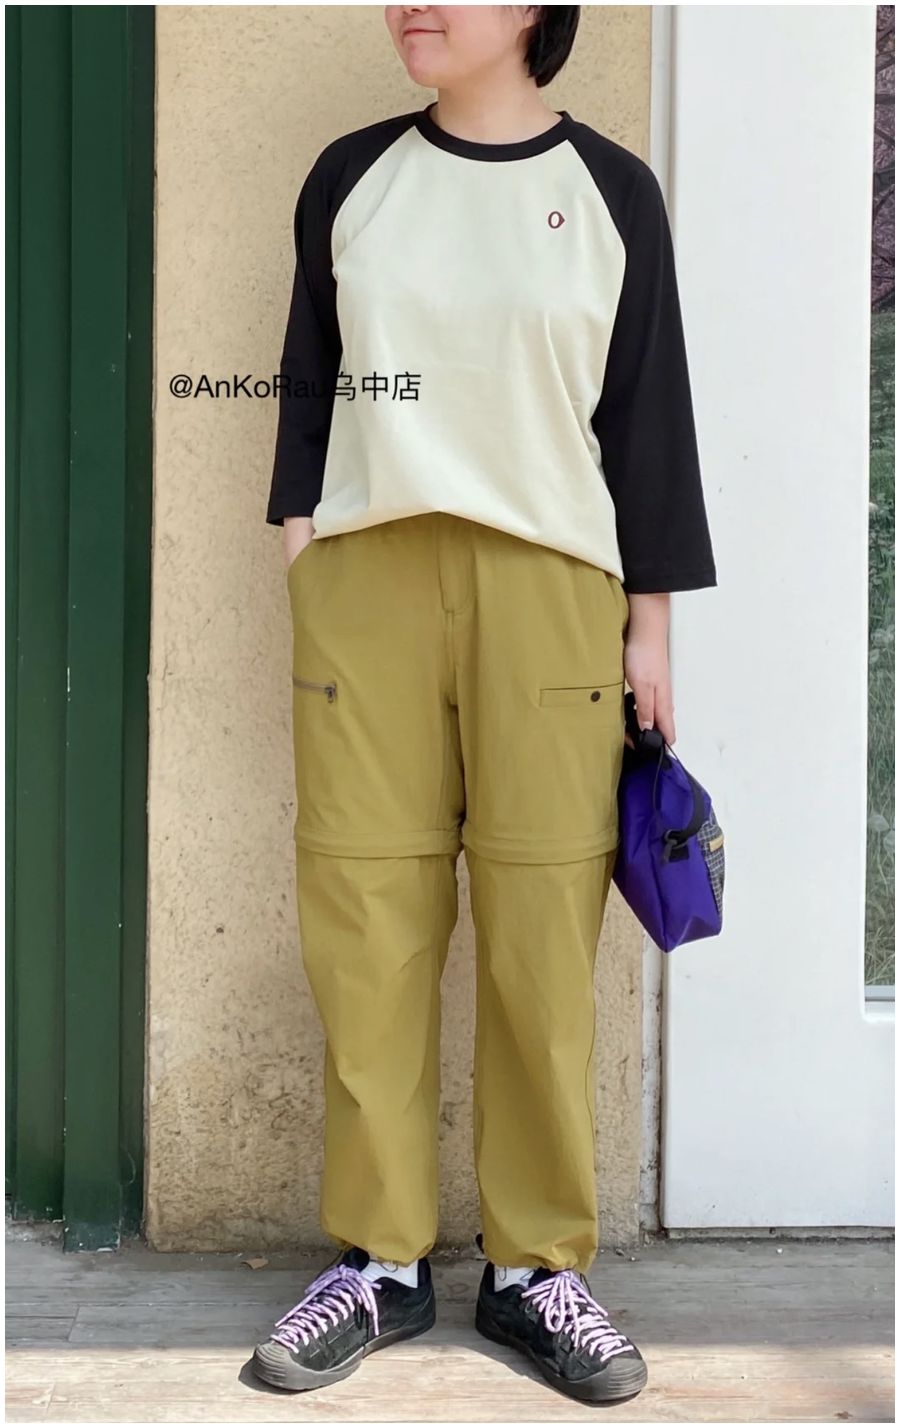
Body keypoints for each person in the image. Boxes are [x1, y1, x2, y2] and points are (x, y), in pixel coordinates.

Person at [251, 3, 716, 1406]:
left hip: (551, 592)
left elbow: (646, 411)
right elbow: (311, 376)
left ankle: (535, 1272)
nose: (413, 3)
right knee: (366, 921)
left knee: (541, 931)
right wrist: (304, 543)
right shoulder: (352, 177)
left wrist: (650, 622)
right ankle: (381, 1260)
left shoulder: (611, 191)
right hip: (369, 582)